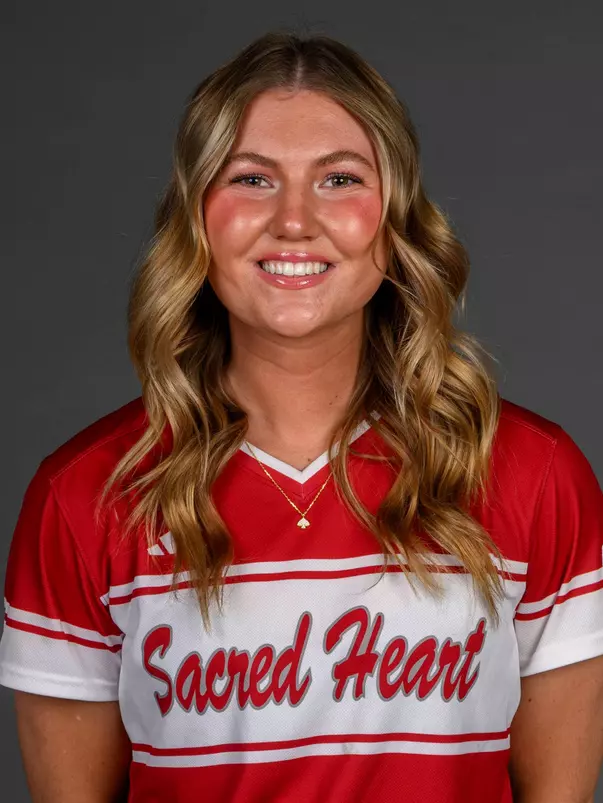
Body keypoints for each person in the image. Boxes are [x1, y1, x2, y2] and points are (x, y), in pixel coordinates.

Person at [1, 30, 602, 803]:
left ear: (394, 217)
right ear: (195, 217)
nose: (293, 219)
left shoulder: (530, 474)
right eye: (250, 179)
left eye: (339, 178)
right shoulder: (83, 496)